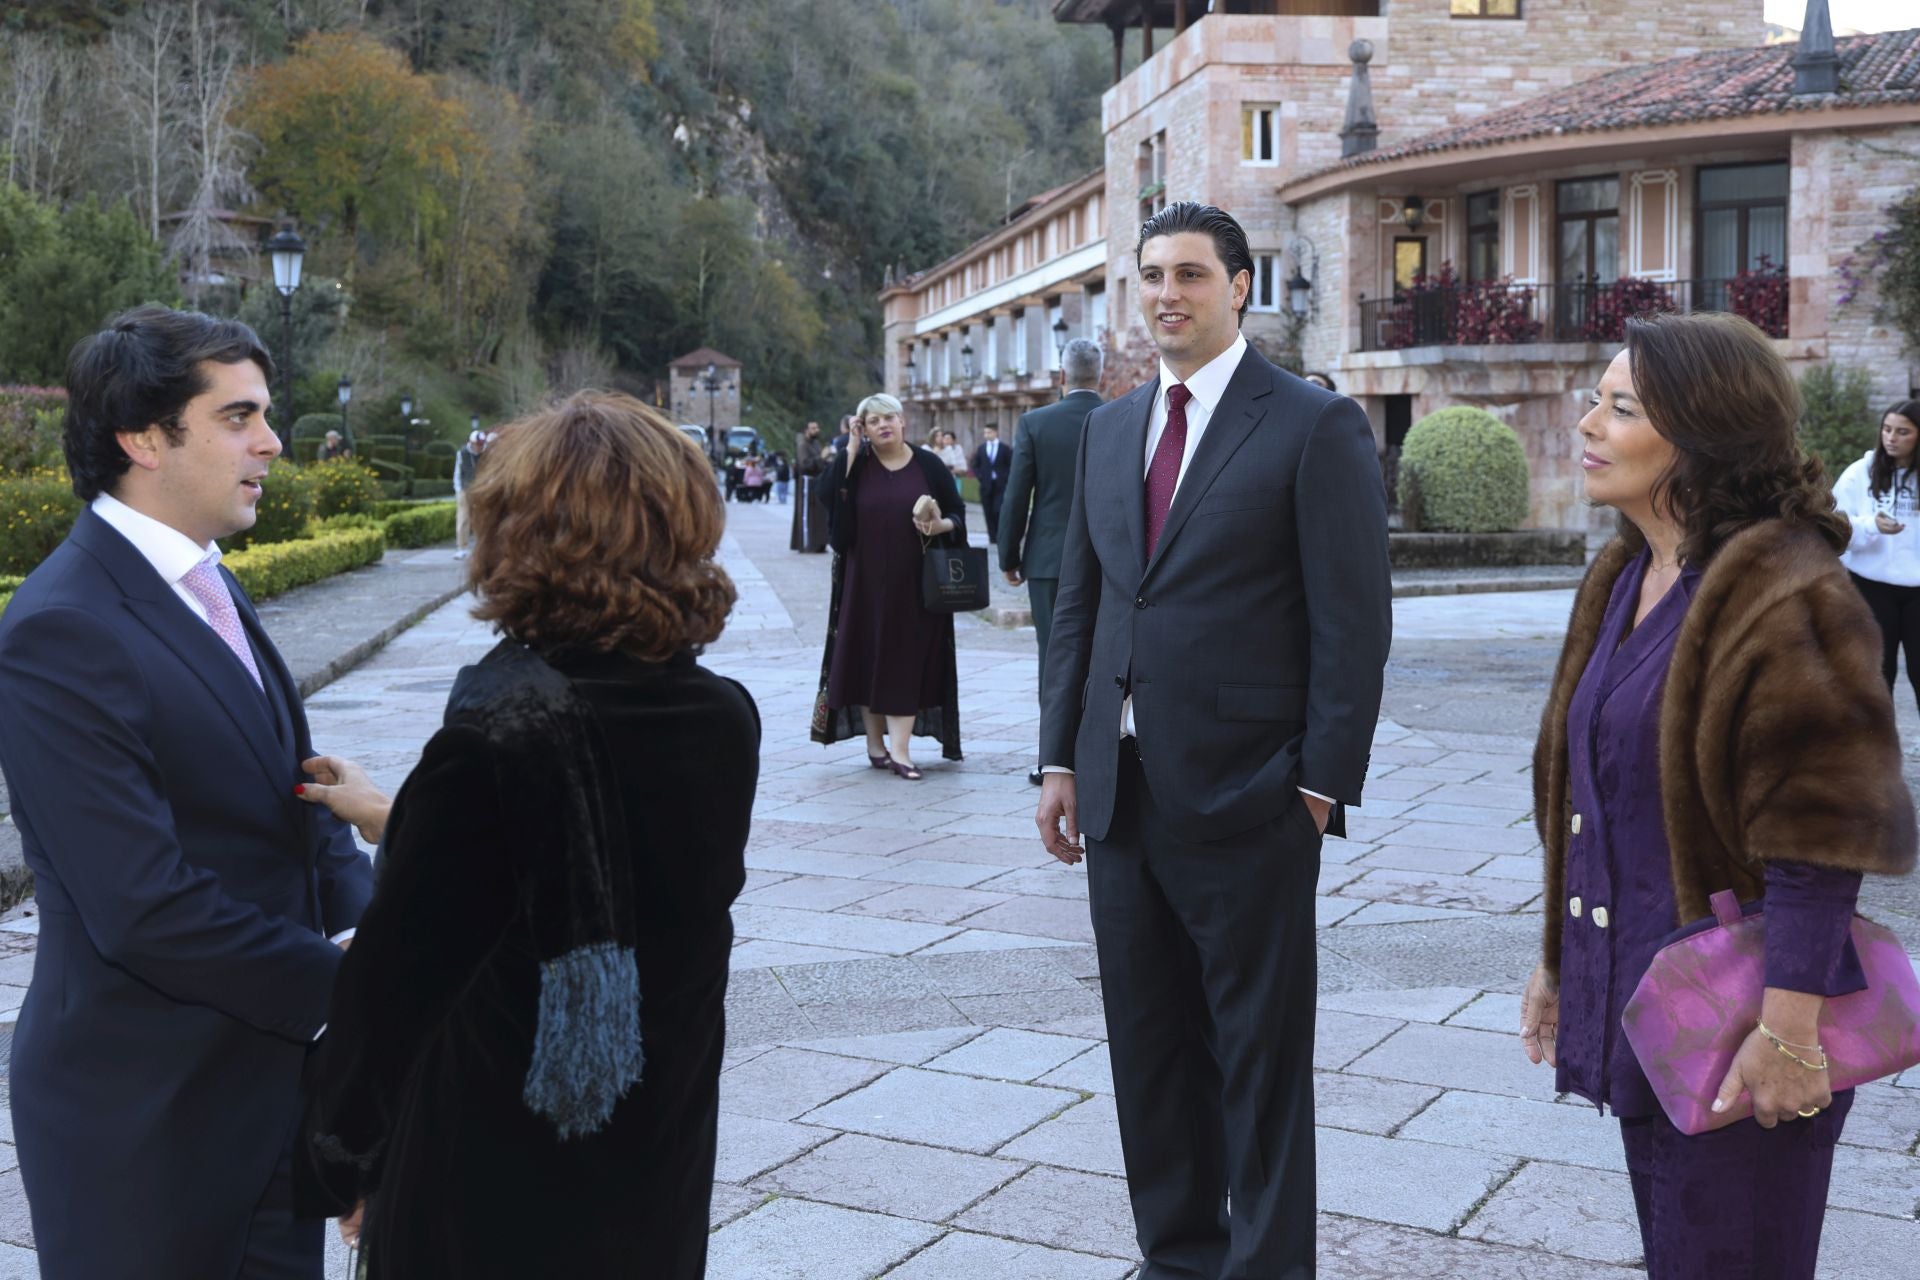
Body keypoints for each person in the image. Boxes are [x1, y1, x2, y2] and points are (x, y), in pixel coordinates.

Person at [295, 392, 759, 1278]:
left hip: (498, 1166)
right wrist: (402, 814)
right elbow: (591, 857)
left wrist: (343, 1161)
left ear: (519, 534)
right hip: (655, 1146)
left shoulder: (499, 727)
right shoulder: (722, 716)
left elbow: (392, 990)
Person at [1035, 202, 1391, 1278]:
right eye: (1149, 275)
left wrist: (1320, 785)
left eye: (1189, 273)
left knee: (1259, 1059)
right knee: (1150, 1050)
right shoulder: (1108, 427)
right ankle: (1179, 1255)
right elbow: (1081, 610)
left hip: (1254, 793)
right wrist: (1060, 757)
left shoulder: (1310, 424)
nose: (1165, 294)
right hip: (1121, 791)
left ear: (1240, 286)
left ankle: (1268, 1266)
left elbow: (1354, 619)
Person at [1520, 312, 1916, 1280]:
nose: (1588, 424)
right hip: (1646, 1000)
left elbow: (1818, 836)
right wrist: (1555, 963)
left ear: (1699, 435)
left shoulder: (1788, 589)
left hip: (1741, 1020)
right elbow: (1595, 794)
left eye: (1620, 408)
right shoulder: (1626, 573)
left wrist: (1791, 1031)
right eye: (1595, 402)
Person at [0, 305, 373, 1279]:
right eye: (238, 416)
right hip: (143, 1125)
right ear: (143, 436)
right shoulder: (60, 627)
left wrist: (387, 925)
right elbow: (144, 906)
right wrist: (368, 988)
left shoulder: (205, 580)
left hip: (268, 1102)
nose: (271, 440)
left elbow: (293, 803)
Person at [811, 392, 966, 778]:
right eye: (873, 421)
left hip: (915, 586)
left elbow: (956, 514)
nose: (883, 426)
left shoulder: (927, 464)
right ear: (863, 428)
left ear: (902, 422)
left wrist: (939, 525)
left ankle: (900, 750)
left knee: (904, 659)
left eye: (889, 418)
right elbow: (825, 495)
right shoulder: (857, 464)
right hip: (861, 585)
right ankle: (875, 745)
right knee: (866, 659)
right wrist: (849, 448)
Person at [1000, 337, 1104, 786]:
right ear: (1099, 376)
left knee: (1053, 656)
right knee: (1105, 655)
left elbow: (1017, 494)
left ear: (1062, 377)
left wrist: (1009, 554)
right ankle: (1100, 750)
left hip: (1048, 559)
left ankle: (1054, 758)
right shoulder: (1126, 416)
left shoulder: (1035, 423)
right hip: (1109, 559)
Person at [1834, 399, 1920, 727]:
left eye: (1903, 432)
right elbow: (1835, 526)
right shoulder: (1860, 473)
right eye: (1887, 429)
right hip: (1871, 587)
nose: (1891, 438)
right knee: (1874, 677)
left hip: (1917, 593)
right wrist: (1871, 525)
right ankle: (1878, 762)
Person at [970, 423, 1013, 543]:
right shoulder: (982, 448)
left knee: (998, 510)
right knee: (988, 511)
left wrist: (1005, 476)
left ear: (995, 432)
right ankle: (992, 537)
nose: (986, 435)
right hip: (986, 486)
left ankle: (1000, 534)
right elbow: (975, 465)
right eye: (985, 433)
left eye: (989, 432)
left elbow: (1011, 465)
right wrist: (981, 476)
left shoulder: (1005, 448)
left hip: (1001, 485)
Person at [791, 421, 830, 552]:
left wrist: (825, 460)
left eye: (817, 427)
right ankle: (808, 544)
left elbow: (819, 462)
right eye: (813, 428)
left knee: (819, 515)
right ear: (806, 430)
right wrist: (822, 458)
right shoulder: (802, 445)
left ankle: (819, 543)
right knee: (808, 515)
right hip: (806, 485)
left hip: (817, 483)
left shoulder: (816, 444)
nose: (816, 430)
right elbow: (805, 465)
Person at [454, 430, 484, 558]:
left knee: (481, 519)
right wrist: (458, 489)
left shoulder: (486, 453)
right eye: (478, 444)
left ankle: (481, 548)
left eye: (481, 444)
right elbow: (457, 472)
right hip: (465, 489)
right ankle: (462, 548)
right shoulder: (462, 453)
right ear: (471, 443)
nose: (480, 447)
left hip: (481, 489)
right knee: (463, 519)